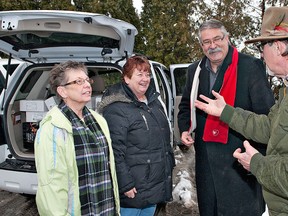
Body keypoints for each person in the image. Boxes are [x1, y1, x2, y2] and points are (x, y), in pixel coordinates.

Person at [194, 6, 288, 216]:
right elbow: (269, 126)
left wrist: (257, 164)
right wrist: (226, 112)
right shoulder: (286, 91)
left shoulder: (250, 67)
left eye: (262, 46)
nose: (262, 55)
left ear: (279, 46)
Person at [177, 19, 275, 215]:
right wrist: (185, 128)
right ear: (201, 45)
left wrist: (257, 162)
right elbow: (186, 106)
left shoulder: (250, 67)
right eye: (206, 42)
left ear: (227, 38)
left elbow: (266, 117)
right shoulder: (194, 71)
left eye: (217, 39)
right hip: (207, 168)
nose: (212, 46)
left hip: (238, 164)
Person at [34, 60, 120, 215]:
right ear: (62, 91)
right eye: (79, 81)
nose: (87, 85)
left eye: (87, 80)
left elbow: (109, 173)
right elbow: (51, 191)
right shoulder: (52, 129)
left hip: (106, 209)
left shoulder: (98, 121)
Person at [98, 56, 175, 216]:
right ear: (126, 78)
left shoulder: (153, 102)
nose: (145, 79)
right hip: (133, 187)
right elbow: (114, 151)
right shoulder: (117, 109)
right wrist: (125, 184)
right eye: (139, 74)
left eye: (147, 74)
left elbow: (163, 143)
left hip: (152, 184)